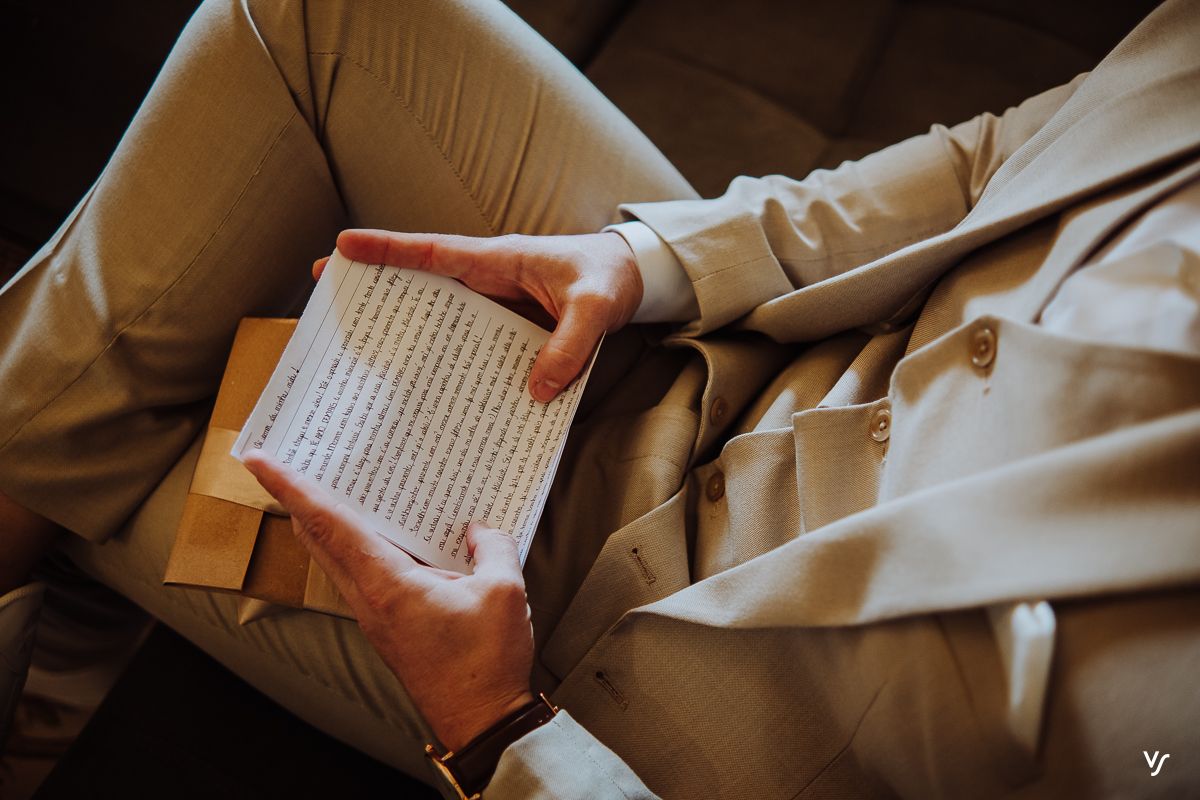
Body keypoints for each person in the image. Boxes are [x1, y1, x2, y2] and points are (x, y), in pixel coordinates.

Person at [2, 0, 1198, 796]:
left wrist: (496, 724)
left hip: (609, 667)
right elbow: (989, 162)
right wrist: (644, 262)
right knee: (324, 18)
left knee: (54, 426)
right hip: (715, 346)